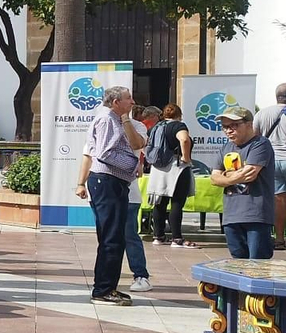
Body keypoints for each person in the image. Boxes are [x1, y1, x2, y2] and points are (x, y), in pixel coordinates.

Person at [76, 86, 145, 306]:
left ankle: (107, 287)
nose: (132, 102)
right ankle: (103, 290)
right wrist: (132, 164)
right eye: (128, 98)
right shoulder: (107, 119)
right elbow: (104, 153)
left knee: (114, 237)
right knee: (111, 238)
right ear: (116, 102)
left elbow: (136, 143)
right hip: (107, 182)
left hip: (113, 183)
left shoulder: (114, 118)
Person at [211, 105, 276, 259]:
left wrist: (226, 177)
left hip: (256, 215)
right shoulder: (226, 147)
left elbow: (249, 175)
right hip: (231, 215)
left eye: (234, 125)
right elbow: (214, 178)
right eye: (225, 127)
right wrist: (233, 176)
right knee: (237, 262)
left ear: (249, 124)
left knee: (258, 263)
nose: (228, 130)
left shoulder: (260, 144)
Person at [253, 82, 286, 249]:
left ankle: (279, 239)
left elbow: (256, 138)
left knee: (279, 200)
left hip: (271, 161)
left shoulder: (262, 113)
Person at [148, 103, 197, 248]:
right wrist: (186, 158)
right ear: (179, 115)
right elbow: (184, 139)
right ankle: (177, 238)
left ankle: (158, 236)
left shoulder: (156, 127)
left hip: (158, 168)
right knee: (177, 203)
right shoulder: (178, 126)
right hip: (176, 166)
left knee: (159, 203)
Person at [122, 106, 154, 294]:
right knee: (107, 238)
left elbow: (137, 145)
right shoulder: (101, 123)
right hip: (105, 192)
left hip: (129, 193)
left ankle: (141, 275)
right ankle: (106, 278)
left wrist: (125, 121)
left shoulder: (138, 126)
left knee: (129, 235)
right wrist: (81, 182)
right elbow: (90, 155)